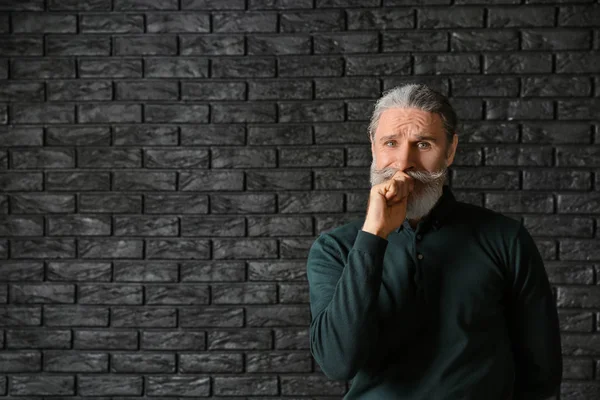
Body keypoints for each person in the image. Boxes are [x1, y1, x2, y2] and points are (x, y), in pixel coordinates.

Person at [306, 83, 562, 399]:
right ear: (373, 148)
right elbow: (337, 363)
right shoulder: (336, 249)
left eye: (424, 144)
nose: (404, 163)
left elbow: (542, 372)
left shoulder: (506, 239)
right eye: (390, 142)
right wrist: (373, 236)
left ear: (450, 150)